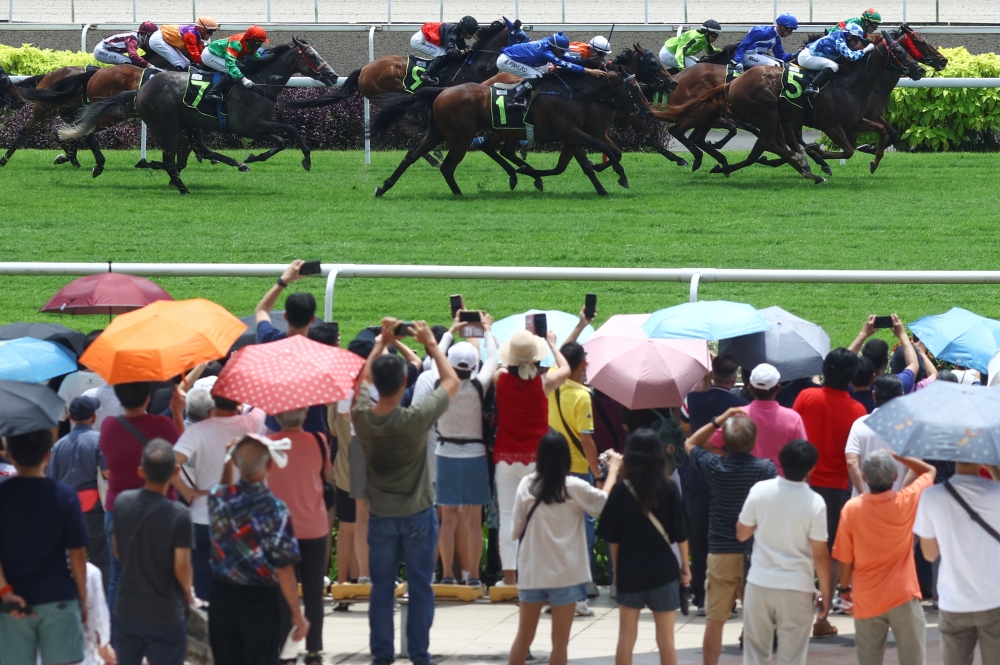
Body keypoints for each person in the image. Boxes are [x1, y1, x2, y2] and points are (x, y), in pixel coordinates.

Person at [352, 318, 460, 665]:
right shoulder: (415, 419)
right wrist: (431, 344)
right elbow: (451, 381)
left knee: (381, 590)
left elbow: (359, 383)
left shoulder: (363, 419)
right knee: (420, 588)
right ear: (404, 382)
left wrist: (381, 342)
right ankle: (419, 654)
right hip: (417, 514)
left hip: (381, 516)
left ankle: (382, 656)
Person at [508, 431, 623, 665]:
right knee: (560, 642)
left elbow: (516, 529)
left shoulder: (526, 485)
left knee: (523, 637)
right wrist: (612, 471)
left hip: (533, 571)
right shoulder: (574, 486)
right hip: (566, 574)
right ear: (566, 458)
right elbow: (601, 502)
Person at [685, 409, 778, 665]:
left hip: (720, 551)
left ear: (724, 441)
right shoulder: (765, 469)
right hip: (755, 552)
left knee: (715, 620)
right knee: (757, 620)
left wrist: (720, 418)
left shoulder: (715, 466)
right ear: (754, 440)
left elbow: (690, 443)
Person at [208, 434, 308, 665]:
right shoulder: (275, 509)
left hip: (223, 595)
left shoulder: (218, 499)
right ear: (270, 465)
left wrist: (227, 459)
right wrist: (296, 611)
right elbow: (284, 566)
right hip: (260, 599)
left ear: (235, 463)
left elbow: (222, 488)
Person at [833, 451, 936, 665]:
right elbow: (929, 471)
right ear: (895, 477)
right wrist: (898, 456)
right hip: (903, 594)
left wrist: (844, 591)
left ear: (864, 477)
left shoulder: (852, 509)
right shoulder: (906, 501)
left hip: (867, 598)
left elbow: (845, 557)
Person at [792, 347, 867, 636]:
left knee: (801, 549)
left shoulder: (805, 397)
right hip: (836, 488)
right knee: (832, 554)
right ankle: (822, 619)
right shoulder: (857, 410)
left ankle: (796, 612)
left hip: (804, 483)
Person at [414, 331, 497, 588]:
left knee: (446, 519)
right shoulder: (478, 385)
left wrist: (450, 331)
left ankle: (447, 573)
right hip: (474, 455)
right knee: (473, 521)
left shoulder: (441, 382)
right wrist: (487, 330)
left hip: (445, 454)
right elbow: (494, 357)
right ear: (474, 365)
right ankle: (472, 575)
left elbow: (435, 353)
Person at [598, 429, 689, 665]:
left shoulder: (621, 489)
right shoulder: (669, 488)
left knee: (626, 637)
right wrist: (685, 568)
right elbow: (681, 534)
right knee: (666, 639)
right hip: (663, 570)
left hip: (630, 570)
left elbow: (613, 537)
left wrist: (617, 570)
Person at [737, 440, 831, 665]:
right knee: (793, 658)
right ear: (811, 468)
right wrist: (826, 592)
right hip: (796, 588)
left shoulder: (760, 490)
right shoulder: (815, 502)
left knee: (755, 655)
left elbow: (742, 533)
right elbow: (820, 554)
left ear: (780, 461)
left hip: (760, 584)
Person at [0, 428, 89, 665]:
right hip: (58, 595)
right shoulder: (65, 495)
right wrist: (83, 599)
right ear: (47, 456)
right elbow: (77, 554)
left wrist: (4, 590)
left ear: (11, 456)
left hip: (12, 601)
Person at [171, 393, 266, 602]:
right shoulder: (252, 422)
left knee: (204, 591)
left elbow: (168, 462)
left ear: (213, 403)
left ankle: (208, 630)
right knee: (239, 587)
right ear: (239, 403)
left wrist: (186, 491)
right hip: (240, 518)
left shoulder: (197, 430)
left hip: (202, 516)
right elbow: (262, 404)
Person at [493, 329, 570, 587]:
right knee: (540, 516)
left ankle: (510, 578)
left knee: (507, 517)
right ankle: (538, 573)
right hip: (538, 458)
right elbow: (566, 369)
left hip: (506, 456)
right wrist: (552, 345)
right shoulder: (544, 381)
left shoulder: (499, 379)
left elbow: (503, 367)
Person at [100, 381, 183, 622]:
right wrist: (177, 411)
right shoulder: (162, 425)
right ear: (148, 397)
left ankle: (118, 640)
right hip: (160, 508)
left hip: (117, 508)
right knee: (162, 572)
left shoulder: (108, 427)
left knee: (118, 576)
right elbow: (181, 452)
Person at [111, 440, 194, 665]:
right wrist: (188, 594)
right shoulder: (179, 515)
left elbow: (117, 549)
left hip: (127, 607)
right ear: (175, 471)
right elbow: (182, 566)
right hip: (165, 612)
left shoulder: (122, 502)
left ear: (141, 471)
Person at [678, 354, 748, 616]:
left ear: (711, 374)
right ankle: (726, 598)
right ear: (734, 378)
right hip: (728, 480)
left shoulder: (691, 399)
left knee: (698, 538)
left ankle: (701, 596)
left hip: (696, 477)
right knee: (728, 539)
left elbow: (685, 427)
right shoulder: (742, 404)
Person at [914, 462, 1000, 665]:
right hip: (994, 599)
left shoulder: (932, 497)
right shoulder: (996, 493)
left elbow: (929, 553)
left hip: (954, 599)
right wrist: (994, 468)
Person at [266, 408, 332, 665]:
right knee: (314, 591)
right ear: (304, 416)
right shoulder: (318, 440)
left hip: (281, 528)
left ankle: (287, 650)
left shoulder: (269, 445)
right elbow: (325, 475)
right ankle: (314, 650)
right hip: (314, 525)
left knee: (284, 592)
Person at [548, 340, 603, 613]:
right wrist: (598, 471)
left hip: (552, 469)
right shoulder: (582, 396)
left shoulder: (550, 386)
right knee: (582, 534)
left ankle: (557, 593)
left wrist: (552, 344)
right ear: (583, 364)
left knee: (558, 532)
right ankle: (579, 595)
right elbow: (587, 441)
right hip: (579, 470)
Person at [47, 395, 110, 592]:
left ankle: (73, 593)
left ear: (70, 417)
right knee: (101, 557)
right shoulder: (100, 440)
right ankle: (102, 598)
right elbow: (107, 473)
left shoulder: (58, 446)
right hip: (95, 505)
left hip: (68, 507)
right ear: (94, 417)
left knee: (70, 556)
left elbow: (52, 480)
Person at [707, 363, 806, 473]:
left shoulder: (738, 414)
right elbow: (803, 456)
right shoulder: (793, 418)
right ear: (778, 389)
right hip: (780, 484)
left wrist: (731, 461)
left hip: (745, 482)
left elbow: (710, 445)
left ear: (750, 388)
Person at [497, 33, 605, 108]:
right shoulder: (546, 52)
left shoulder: (550, 46)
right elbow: (566, 64)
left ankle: (520, 93)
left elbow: (566, 59)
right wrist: (590, 71)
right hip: (506, 60)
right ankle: (514, 100)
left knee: (538, 74)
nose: (563, 53)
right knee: (536, 75)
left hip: (510, 57)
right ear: (555, 48)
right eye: (561, 51)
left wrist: (584, 63)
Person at [845, 375, 908, 497]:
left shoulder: (859, 424)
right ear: (902, 397)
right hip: (898, 507)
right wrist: (901, 496)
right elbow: (915, 468)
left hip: (862, 507)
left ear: (874, 395)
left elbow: (851, 462)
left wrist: (863, 495)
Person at [798, 23, 874, 98]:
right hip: (807, 58)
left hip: (809, 55)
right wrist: (866, 50)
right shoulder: (839, 40)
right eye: (856, 40)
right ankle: (811, 86)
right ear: (849, 37)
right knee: (833, 66)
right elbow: (851, 56)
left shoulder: (840, 35)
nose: (857, 45)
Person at [202, 26, 267, 102]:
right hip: (210, 55)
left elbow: (255, 54)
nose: (259, 45)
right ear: (251, 40)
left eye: (261, 42)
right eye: (257, 42)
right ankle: (211, 93)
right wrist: (243, 79)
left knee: (241, 67)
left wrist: (264, 63)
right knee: (232, 71)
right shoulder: (236, 43)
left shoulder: (249, 43)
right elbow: (230, 64)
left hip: (219, 54)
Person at [414, 16, 479, 85]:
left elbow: (463, 48)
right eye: (472, 32)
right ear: (464, 30)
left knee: (445, 53)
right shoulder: (453, 32)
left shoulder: (458, 32)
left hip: (426, 38)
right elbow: (450, 52)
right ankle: (426, 74)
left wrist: (472, 49)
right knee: (443, 53)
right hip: (419, 41)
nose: (473, 35)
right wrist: (466, 50)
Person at [148, 17, 219, 71]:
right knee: (180, 64)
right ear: (202, 30)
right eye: (210, 32)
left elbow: (201, 53)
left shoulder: (196, 35)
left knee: (186, 63)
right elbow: (195, 57)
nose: (211, 35)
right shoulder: (190, 36)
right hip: (158, 40)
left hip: (164, 38)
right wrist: (211, 63)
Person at [733, 13, 798, 71]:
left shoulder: (777, 38)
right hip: (745, 55)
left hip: (755, 55)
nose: (791, 33)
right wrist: (739, 61)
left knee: (781, 63)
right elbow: (743, 45)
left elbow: (781, 57)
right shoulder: (760, 31)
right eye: (790, 30)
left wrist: (794, 55)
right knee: (775, 65)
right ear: (782, 27)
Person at [93, 22, 158, 68]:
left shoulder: (140, 37)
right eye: (150, 36)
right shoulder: (132, 40)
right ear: (144, 35)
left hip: (111, 49)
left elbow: (149, 52)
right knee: (127, 61)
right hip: (102, 50)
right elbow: (133, 56)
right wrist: (147, 65)